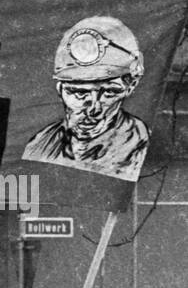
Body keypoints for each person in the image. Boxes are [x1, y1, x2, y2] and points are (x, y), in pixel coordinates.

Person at [22, 16, 149, 182]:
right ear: (61, 90)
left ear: (129, 88)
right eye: (80, 93)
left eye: (109, 92)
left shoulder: (139, 145)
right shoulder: (40, 145)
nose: (93, 109)